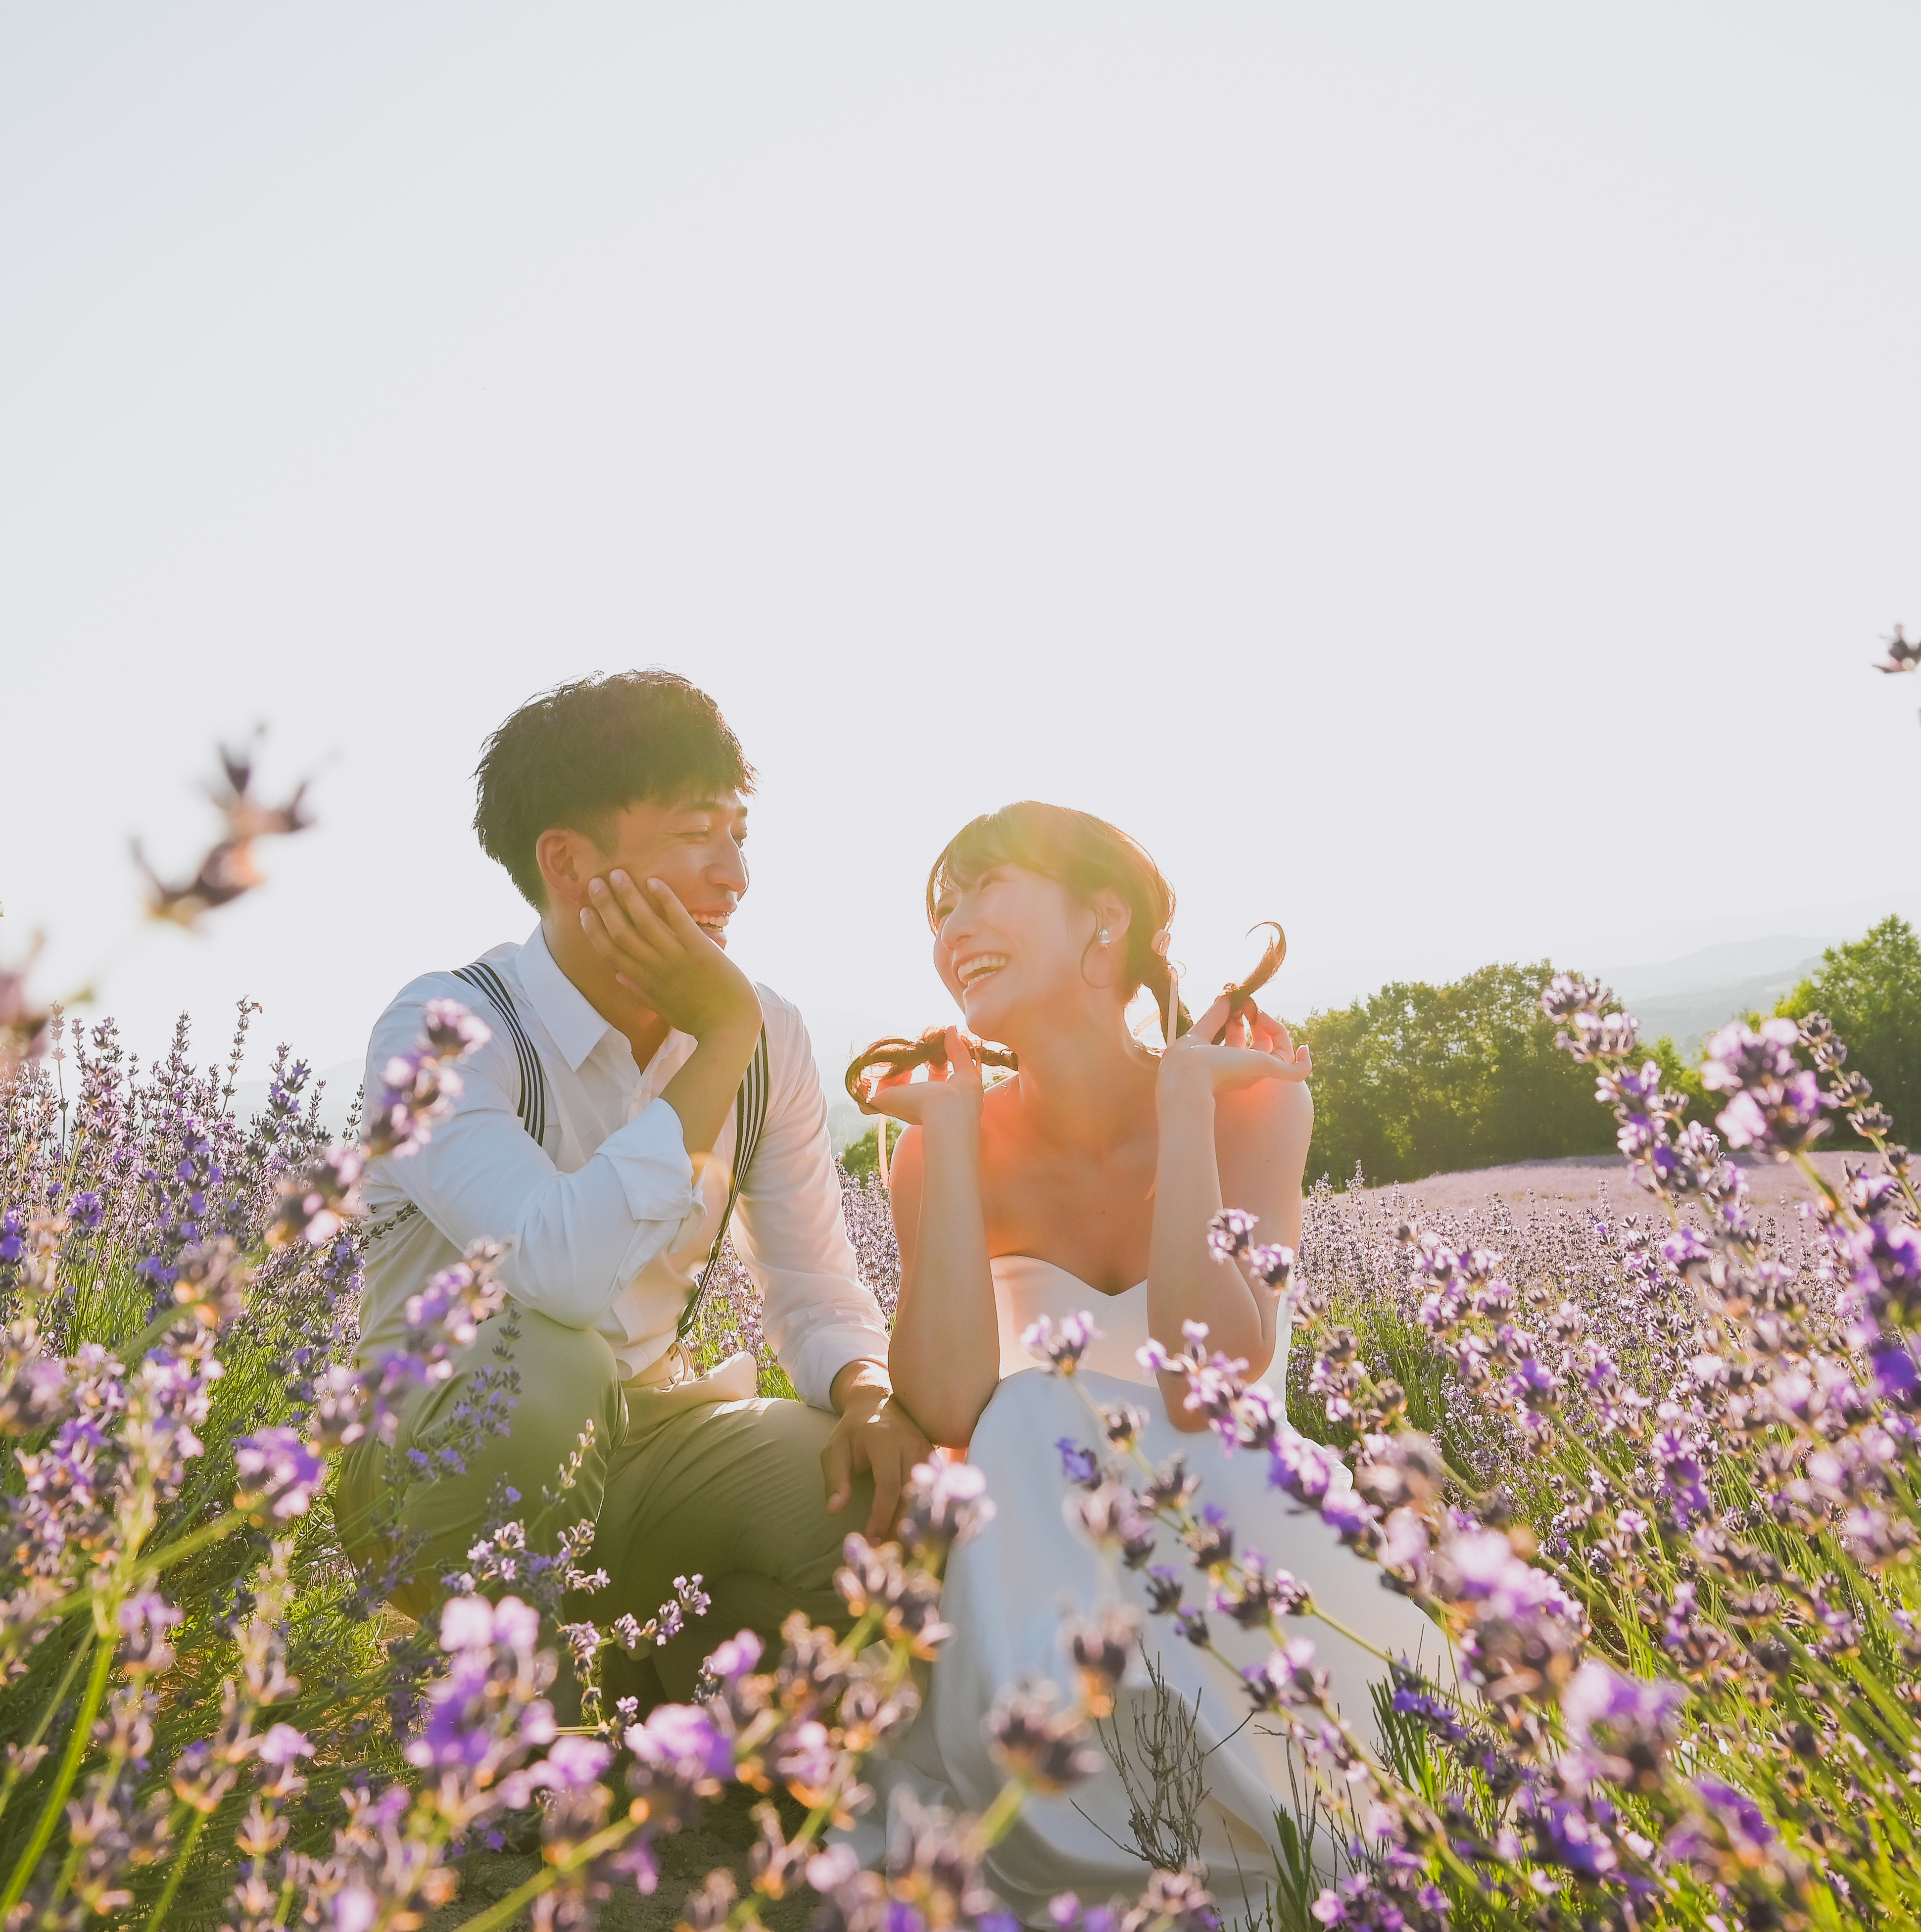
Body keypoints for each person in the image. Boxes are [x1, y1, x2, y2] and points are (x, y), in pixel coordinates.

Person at [853, 802, 1443, 1909]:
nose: (955, 925)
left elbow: (1202, 1379)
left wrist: (1183, 1102)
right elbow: (945, 1404)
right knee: (1020, 1417)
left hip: (1245, 1543)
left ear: (1102, 918)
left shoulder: (1250, 1098)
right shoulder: (936, 1147)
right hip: (1046, 1587)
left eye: (987, 887)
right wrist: (951, 1145)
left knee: (1038, 1416)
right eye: (943, 905)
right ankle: (1078, 1810)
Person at [334, 670, 932, 1699]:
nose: (735, 872)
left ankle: (669, 1668)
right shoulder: (445, 1032)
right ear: (568, 862)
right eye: (698, 834)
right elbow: (557, 1273)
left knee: (873, 1509)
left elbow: (812, 1281)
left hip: (649, 1440)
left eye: (741, 833)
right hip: (438, 1452)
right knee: (548, 1363)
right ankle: (508, 1723)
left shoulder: (769, 1031)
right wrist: (719, 1037)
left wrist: (870, 1393)